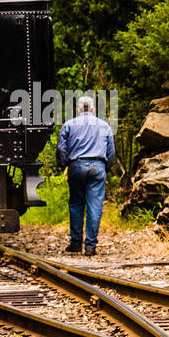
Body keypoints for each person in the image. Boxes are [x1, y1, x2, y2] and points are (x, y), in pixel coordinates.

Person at [55, 95, 116, 255]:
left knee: (76, 204)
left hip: (76, 165)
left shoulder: (69, 125)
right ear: (94, 110)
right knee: (95, 206)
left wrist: (64, 165)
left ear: (78, 110)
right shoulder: (104, 126)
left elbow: (61, 148)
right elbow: (111, 151)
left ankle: (76, 243)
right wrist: (106, 168)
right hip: (98, 165)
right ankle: (90, 246)